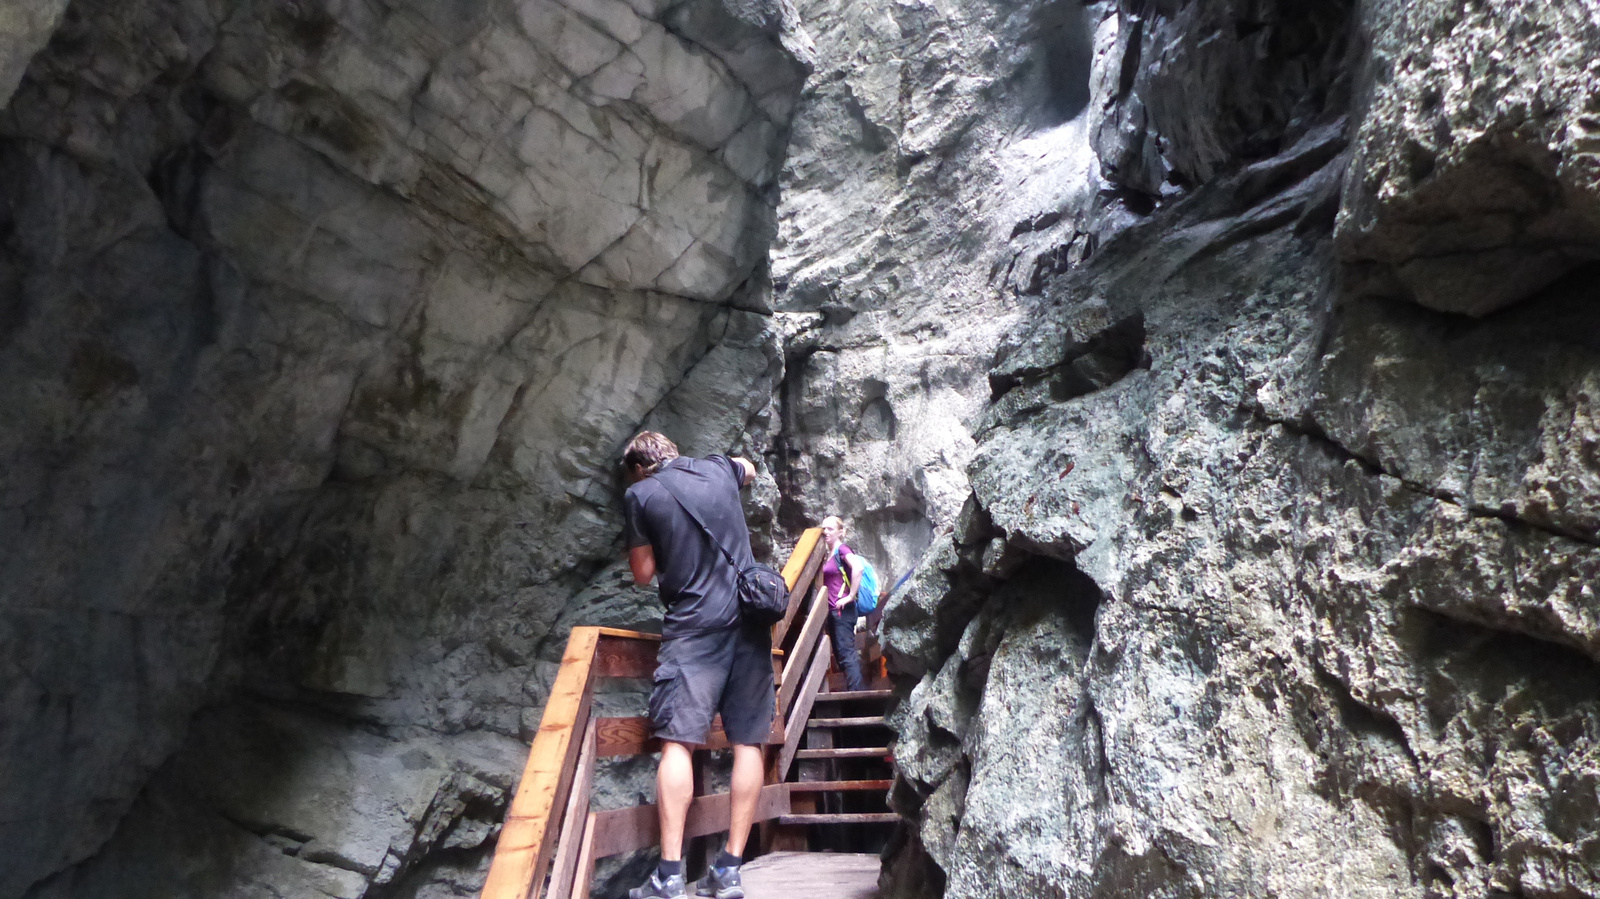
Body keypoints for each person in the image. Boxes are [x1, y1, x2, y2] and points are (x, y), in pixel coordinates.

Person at [621, 431, 771, 899]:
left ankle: (669, 876)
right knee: (749, 742)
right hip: (749, 623)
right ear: (672, 451)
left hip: (693, 629)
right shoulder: (716, 467)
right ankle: (729, 869)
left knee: (678, 744)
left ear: (639, 467)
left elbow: (642, 574)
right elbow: (748, 467)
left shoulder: (640, 494)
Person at [818, 515, 868, 692]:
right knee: (841, 654)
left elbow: (858, 567)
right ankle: (856, 690)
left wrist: (850, 596)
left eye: (830, 528)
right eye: (824, 528)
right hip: (834, 611)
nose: (825, 532)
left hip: (843, 610)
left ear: (840, 532)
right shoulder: (829, 554)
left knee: (846, 653)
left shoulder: (842, 549)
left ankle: (858, 696)